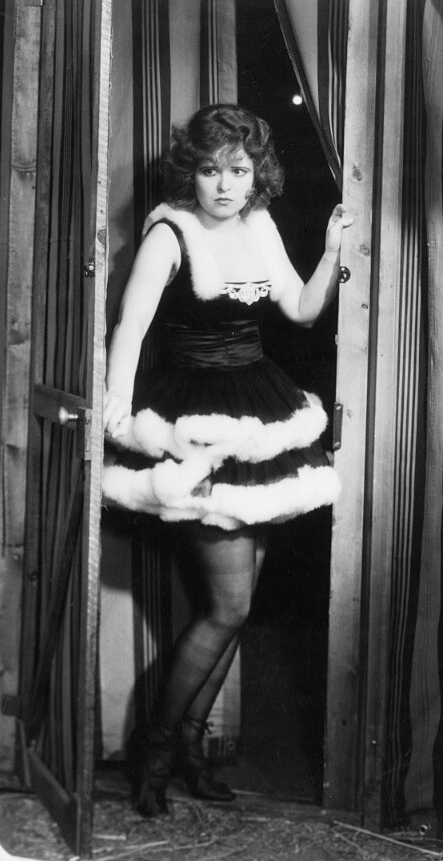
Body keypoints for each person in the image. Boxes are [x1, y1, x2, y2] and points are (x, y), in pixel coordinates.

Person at [101, 103, 352, 817]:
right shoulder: (170, 233)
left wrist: (331, 252)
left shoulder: (258, 224)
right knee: (227, 606)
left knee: (236, 609)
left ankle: (187, 749)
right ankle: (153, 751)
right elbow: (130, 328)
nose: (223, 185)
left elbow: (301, 309)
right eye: (210, 170)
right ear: (191, 172)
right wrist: (119, 414)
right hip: (196, 418)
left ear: (255, 175)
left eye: (237, 171)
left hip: (259, 413)